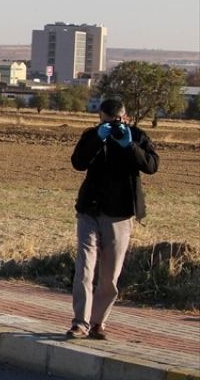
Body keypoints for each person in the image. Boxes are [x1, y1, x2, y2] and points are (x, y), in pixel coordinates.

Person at [67, 97, 159, 340]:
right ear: (100, 118)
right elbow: (78, 163)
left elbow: (151, 166)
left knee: (110, 274)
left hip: (120, 214)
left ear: (125, 117)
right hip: (90, 209)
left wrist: (129, 145)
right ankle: (80, 323)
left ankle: (98, 323)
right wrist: (98, 138)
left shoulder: (137, 136)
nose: (114, 125)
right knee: (84, 267)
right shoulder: (92, 135)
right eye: (108, 122)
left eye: (117, 121)